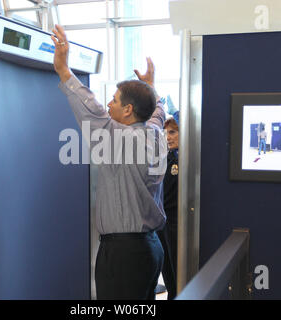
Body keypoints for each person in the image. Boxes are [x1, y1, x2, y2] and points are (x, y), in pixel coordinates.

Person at [51, 25, 167, 300]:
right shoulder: (155, 132)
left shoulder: (120, 139)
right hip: (151, 248)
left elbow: (90, 108)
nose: (109, 104)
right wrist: (150, 87)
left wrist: (64, 70)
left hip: (125, 255)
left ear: (128, 110)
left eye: (114, 101)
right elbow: (158, 111)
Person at [157, 116, 179, 300]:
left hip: (177, 223)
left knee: (177, 271)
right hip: (164, 223)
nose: (168, 137)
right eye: (165, 133)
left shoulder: (183, 160)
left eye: (172, 132)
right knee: (168, 272)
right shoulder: (166, 157)